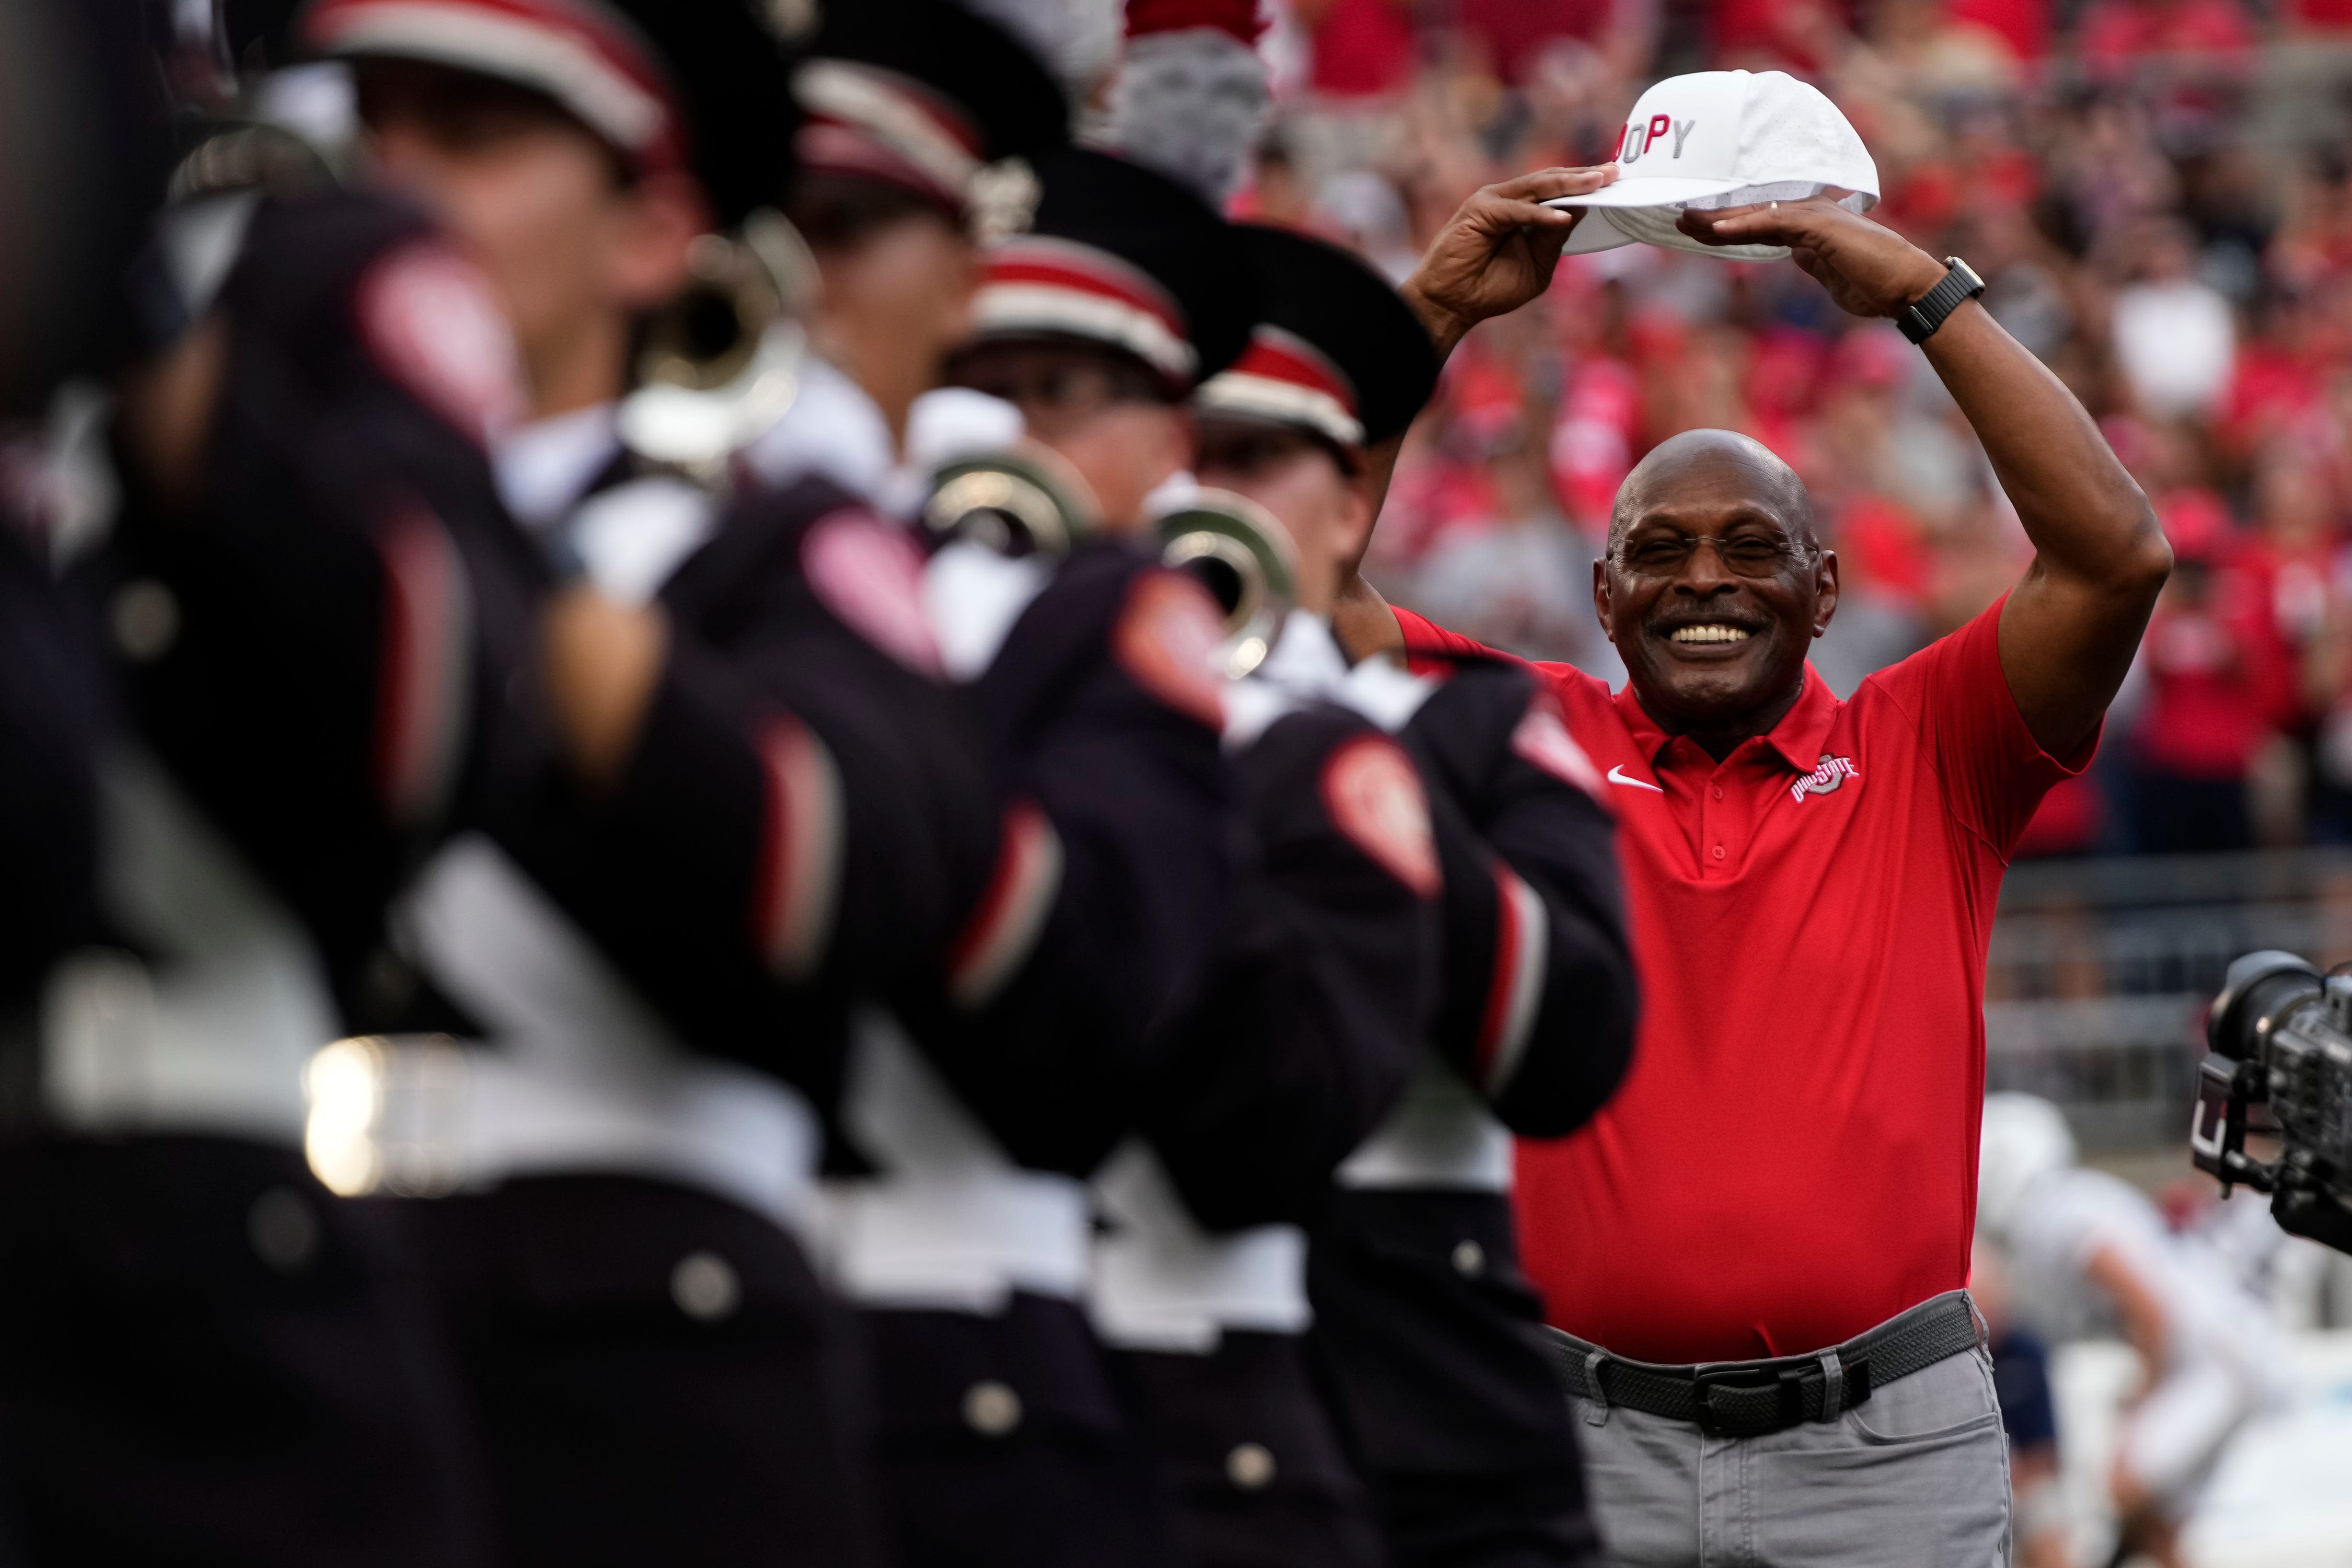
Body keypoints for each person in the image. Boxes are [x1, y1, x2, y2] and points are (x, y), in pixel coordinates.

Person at [1336, 173, 2173, 1565]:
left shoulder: (1930, 748)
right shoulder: (1514, 735)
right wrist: (1428, 308)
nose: (1703, 579)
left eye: (1749, 547)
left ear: (1824, 589)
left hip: (1885, 1459)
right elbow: (1270, 574)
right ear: (1601, 598)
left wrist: (1922, 293)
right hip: (1580, 1443)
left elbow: (2113, 558)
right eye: (1655, 552)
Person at [1195, 223, 1638, 1568]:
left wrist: (1320, 757)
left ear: (1347, 503)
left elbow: (1566, 1046)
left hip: (1431, 1405)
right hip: (1150, 1387)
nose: (1198, 495)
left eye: (1249, 460)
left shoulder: (1466, 728)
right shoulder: (1045, 699)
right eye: (1178, 452)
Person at [1979, 1094, 2286, 1568]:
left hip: (2213, 1361)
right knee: (2156, 1529)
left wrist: (2144, 1394)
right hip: (2226, 1351)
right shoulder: (2073, 1199)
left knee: (2114, 1493)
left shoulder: (2056, 1215)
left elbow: (2148, 1309)